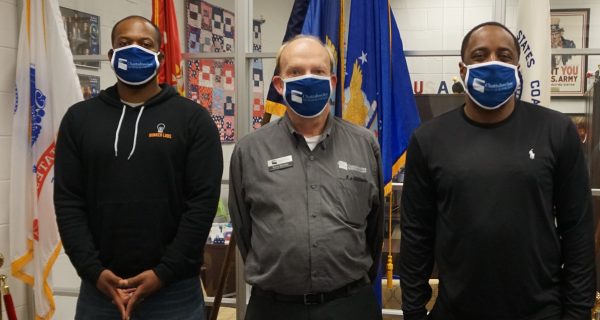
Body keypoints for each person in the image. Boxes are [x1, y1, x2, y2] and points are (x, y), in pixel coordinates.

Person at [400, 21, 596, 320]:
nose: (492, 63)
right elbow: (417, 234)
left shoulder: (556, 131)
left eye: (504, 56)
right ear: (463, 69)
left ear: (518, 68)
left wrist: (577, 313)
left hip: (541, 311)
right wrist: (413, 311)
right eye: (480, 56)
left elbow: (577, 230)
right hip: (456, 311)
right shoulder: (429, 139)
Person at [55, 15, 223, 320]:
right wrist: (92, 270)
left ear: (159, 56)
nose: (134, 49)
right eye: (124, 43)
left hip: (174, 292)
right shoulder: (78, 119)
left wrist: (164, 272)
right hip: (100, 292)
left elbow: (201, 205)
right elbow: (68, 202)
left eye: (145, 44)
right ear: (111, 55)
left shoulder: (194, 120)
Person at [228, 35, 384, 320]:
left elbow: (374, 230)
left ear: (332, 82)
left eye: (318, 71)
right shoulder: (250, 150)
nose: (308, 78)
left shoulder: (364, 145)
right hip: (274, 308)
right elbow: (244, 231)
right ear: (279, 84)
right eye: (296, 72)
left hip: (349, 305)